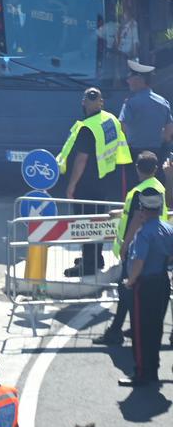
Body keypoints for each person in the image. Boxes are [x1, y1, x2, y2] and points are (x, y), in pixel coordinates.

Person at [56, 87, 132, 276]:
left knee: (86, 224)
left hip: (87, 183)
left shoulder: (87, 127)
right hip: (105, 178)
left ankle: (88, 266)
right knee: (98, 220)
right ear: (101, 102)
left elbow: (81, 159)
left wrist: (71, 185)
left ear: (84, 102)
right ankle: (96, 258)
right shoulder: (111, 119)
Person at [96, 150, 166, 345]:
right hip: (154, 245)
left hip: (138, 248)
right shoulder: (157, 186)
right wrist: (120, 212)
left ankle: (116, 331)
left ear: (137, 168)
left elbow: (137, 218)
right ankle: (130, 328)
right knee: (134, 290)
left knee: (126, 289)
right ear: (155, 168)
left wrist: (125, 246)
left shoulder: (139, 190)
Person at [120, 189, 173, 385]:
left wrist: (130, 281)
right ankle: (153, 369)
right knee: (155, 328)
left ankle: (142, 373)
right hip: (162, 281)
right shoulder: (168, 229)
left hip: (144, 285)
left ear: (142, 209)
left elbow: (138, 262)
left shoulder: (144, 233)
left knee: (140, 331)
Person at [118, 57, 172, 167]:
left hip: (134, 156)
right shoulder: (163, 102)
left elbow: (121, 130)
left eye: (130, 77)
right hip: (157, 156)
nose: (127, 81)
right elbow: (168, 134)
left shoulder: (130, 104)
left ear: (139, 79)